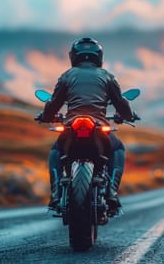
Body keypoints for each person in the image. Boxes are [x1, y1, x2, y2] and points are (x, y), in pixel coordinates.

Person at [36, 37, 136, 216]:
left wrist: (46, 116)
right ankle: (112, 191)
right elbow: (120, 102)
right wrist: (128, 116)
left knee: (56, 151)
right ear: (98, 56)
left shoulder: (67, 76)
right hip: (98, 128)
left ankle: (56, 193)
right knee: (118, 148)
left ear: (74, 56)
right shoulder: (107, 76)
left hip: (71, 127)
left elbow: (53, 103)